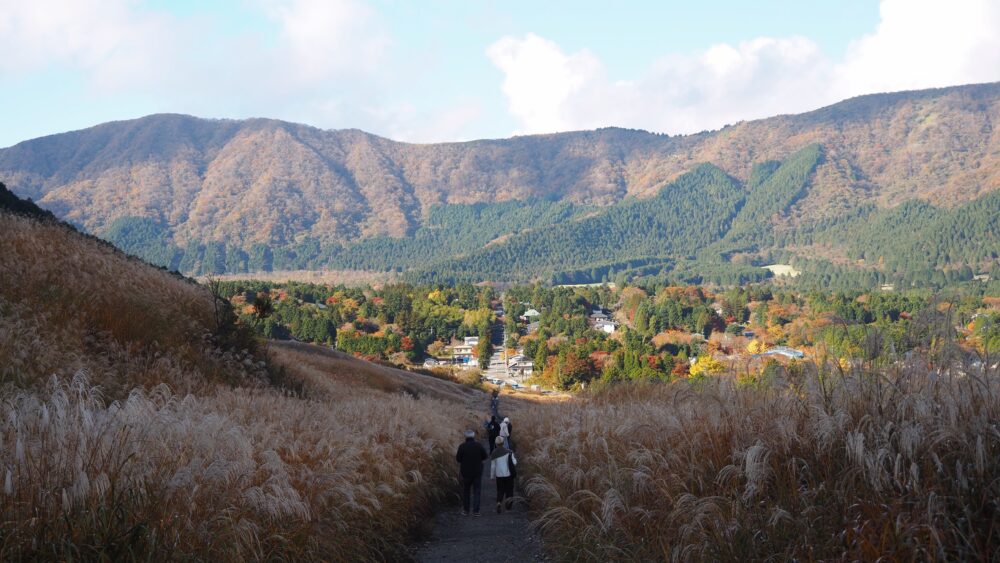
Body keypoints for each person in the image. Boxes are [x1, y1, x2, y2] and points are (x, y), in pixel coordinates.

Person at [455, 429, 488, 516]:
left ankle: (466, 511)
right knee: (477, 491)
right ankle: (476, 511)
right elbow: (485, 456)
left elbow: (458, 459)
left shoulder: (462, 446)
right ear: (473, 436)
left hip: (465, 473)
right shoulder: (478, 445)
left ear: (465, 437)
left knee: (466, 492)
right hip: (477, 472)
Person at [489, 436, 518, 513]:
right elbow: (514, 463)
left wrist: (492, 476)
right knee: (509, 490)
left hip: (499, 475)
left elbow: (493, 466)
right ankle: (508, 506)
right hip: (508, 475)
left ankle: (499, 502)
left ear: (496, 443)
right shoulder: (509, 452)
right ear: (503, 442)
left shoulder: (494, 453)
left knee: (500, 490)